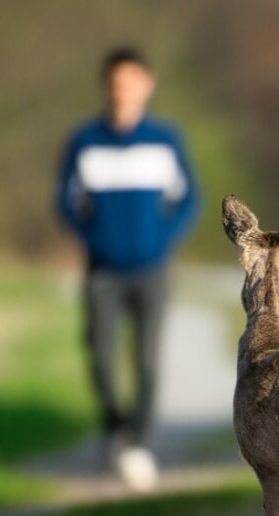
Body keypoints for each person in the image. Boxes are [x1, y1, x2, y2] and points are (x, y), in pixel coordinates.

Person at [56, 47, 199, 490]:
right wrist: (94, 239)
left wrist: (161, 239)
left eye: (131, 83)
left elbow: (188, 199)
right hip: (103, 270)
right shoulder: (84, 142)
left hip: (152, 269)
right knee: (100, 356)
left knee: (148, 360)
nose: (123, 92)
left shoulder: (165, 140)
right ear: (106, 87)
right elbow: (66, 201)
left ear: (147, 86)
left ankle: (137, 444)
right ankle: (115, 430)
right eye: (116, 84)